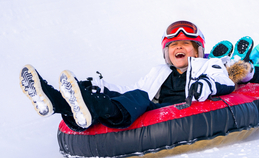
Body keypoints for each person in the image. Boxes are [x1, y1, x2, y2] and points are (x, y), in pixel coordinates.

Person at [19, 20, 235, 132]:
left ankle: (89, 105)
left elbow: (223, 81)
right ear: (166, 52)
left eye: (185, 44)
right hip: (146, 107)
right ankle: (55, 100)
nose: (179, 48)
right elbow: (129, 90)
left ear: (197, 49)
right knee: (127, 95)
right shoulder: (159, 71)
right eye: (173, 45)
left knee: (139, 98)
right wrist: (102, 86)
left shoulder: (208, 64)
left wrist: (205, 86)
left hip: (176, 111)